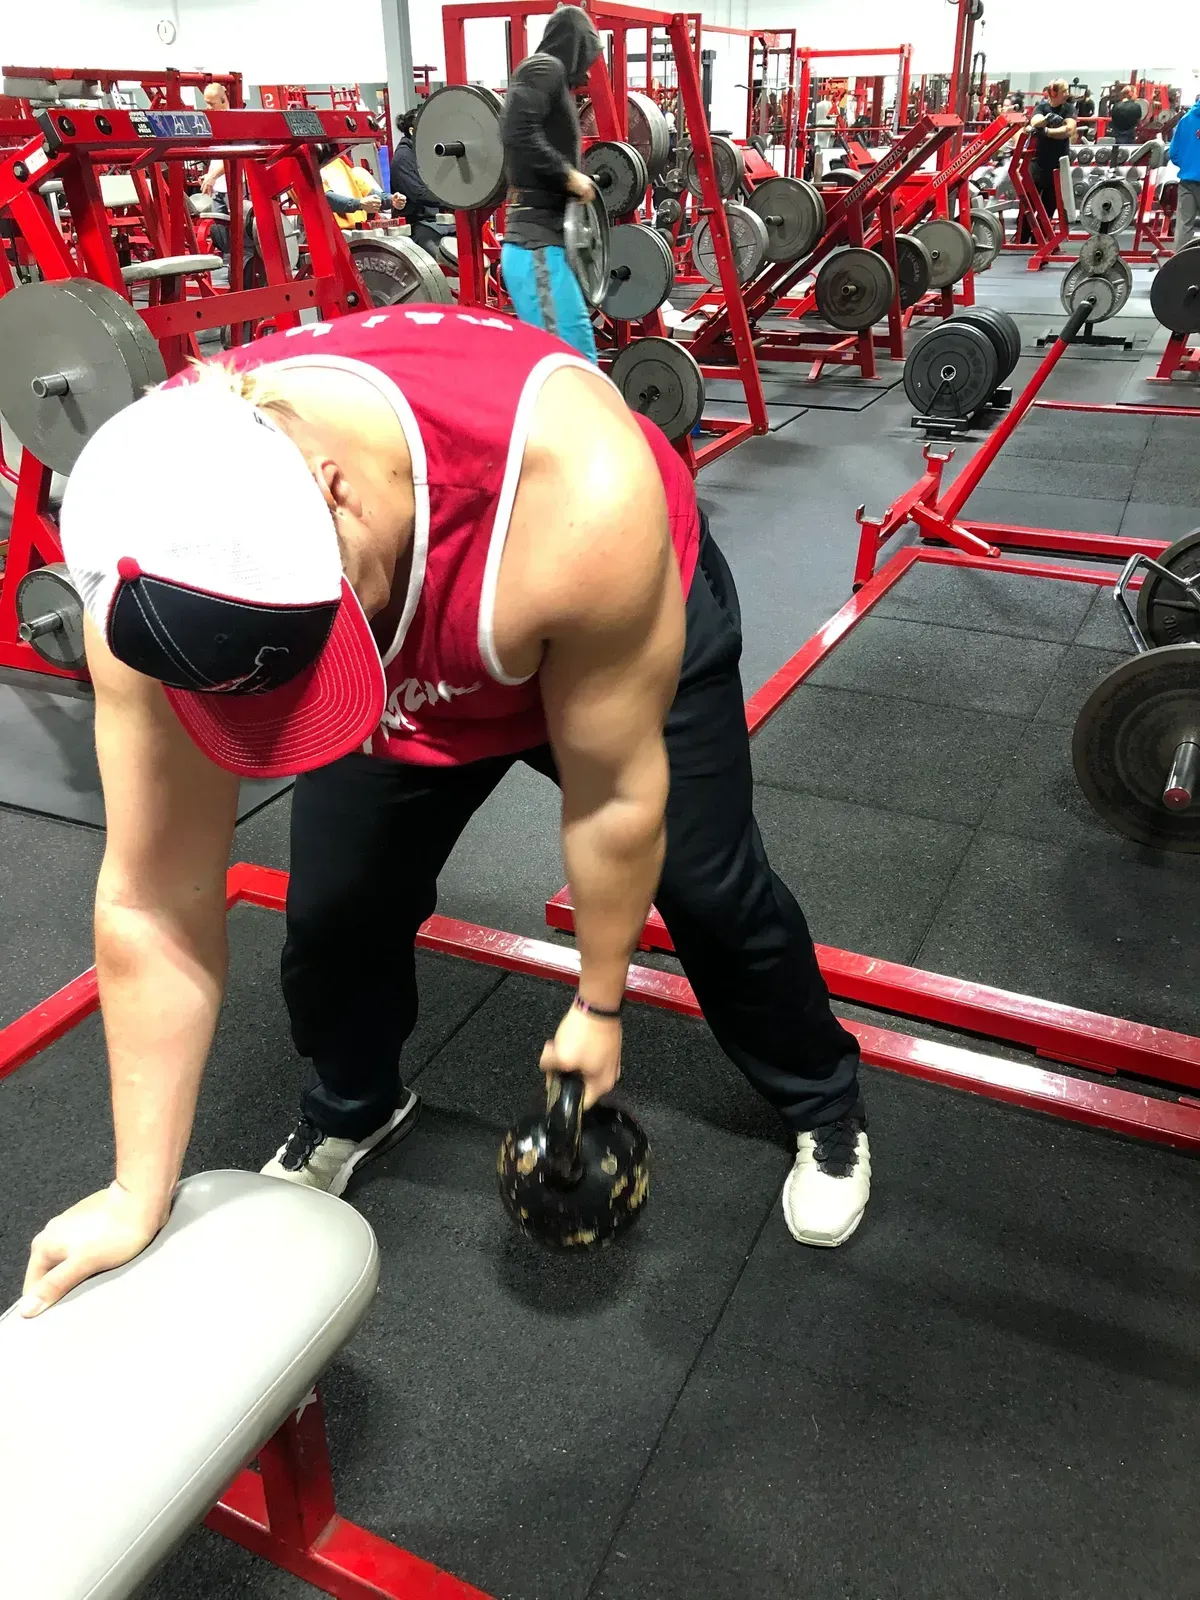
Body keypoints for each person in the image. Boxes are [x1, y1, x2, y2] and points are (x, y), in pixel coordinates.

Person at [18, 306, 872, 1319]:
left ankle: (825, 1101)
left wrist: (599, 1004)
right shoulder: (144, 560)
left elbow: (614, 798)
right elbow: (155, 897)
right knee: (335, 914)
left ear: (334, 495)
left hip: (581, 610)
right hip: (372, 660)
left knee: (707, 889)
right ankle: (354, 1105)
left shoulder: (578, 490)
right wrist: (134, 1189)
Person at [499, 4, 603, 361]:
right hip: (535, 245)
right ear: (576, 46)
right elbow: (517, 131)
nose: (587, 70)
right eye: (587, 57)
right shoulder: (544, 67)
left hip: (549, 243)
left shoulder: (553, 76)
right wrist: (568, 175)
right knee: (571, 367)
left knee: (576, 362)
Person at [387, 107, 454, 257]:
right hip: (416, 226)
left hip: (436, 222)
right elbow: (420, 194)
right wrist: (452, 200)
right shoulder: (403, 157)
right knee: (447, 257)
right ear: (412, 131)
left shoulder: (424, 154)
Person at [1024, 80, 1076, 233]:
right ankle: (1022, 236)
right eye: (1064, 91)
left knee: (1050, 203)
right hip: (1038, 161)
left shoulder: (1069, 108)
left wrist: (1046, 132)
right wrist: (1047, 119)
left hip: (1058, 162)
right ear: (1054, 93)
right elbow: (1035, 122)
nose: (1067, 94)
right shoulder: (1041, 107)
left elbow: (1068, 130)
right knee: (1028, 201)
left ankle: (1040, 237)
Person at [316, 143, 404, 229]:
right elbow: (327, 199)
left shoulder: (338, 163)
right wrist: (360, 204)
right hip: (337, 231)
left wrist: (391, 199)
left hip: (358, 229)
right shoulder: (314, 169)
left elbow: (368, 191)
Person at [1169, 97, 1200, 252]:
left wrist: (1188, 166)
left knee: (1184, 226)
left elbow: (1173, 153)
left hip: (1187, 182)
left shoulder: (1186, 119)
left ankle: (1179, 267)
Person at [1109, 85, 1145, 153]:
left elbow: (1113, 120)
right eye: (1135, 93)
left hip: (1116, 138)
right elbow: (1139, 123)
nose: (1136, 96)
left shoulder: (1115, 106)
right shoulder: (1136, 106)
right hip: (1129, 138)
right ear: (1130, 93)